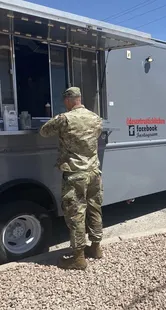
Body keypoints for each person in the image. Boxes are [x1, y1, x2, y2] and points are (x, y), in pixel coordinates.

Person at [40, 87, 104, 270]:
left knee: (76, 213)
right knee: (94, 208)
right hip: (94, 172)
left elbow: (44, 131)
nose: (64, 103)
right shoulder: (95, 117)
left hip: (75, 174)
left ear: (69, 100)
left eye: (64, 100)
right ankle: (96, 247)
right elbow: (96, 134)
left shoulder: (64, 119)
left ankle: (78, 257)